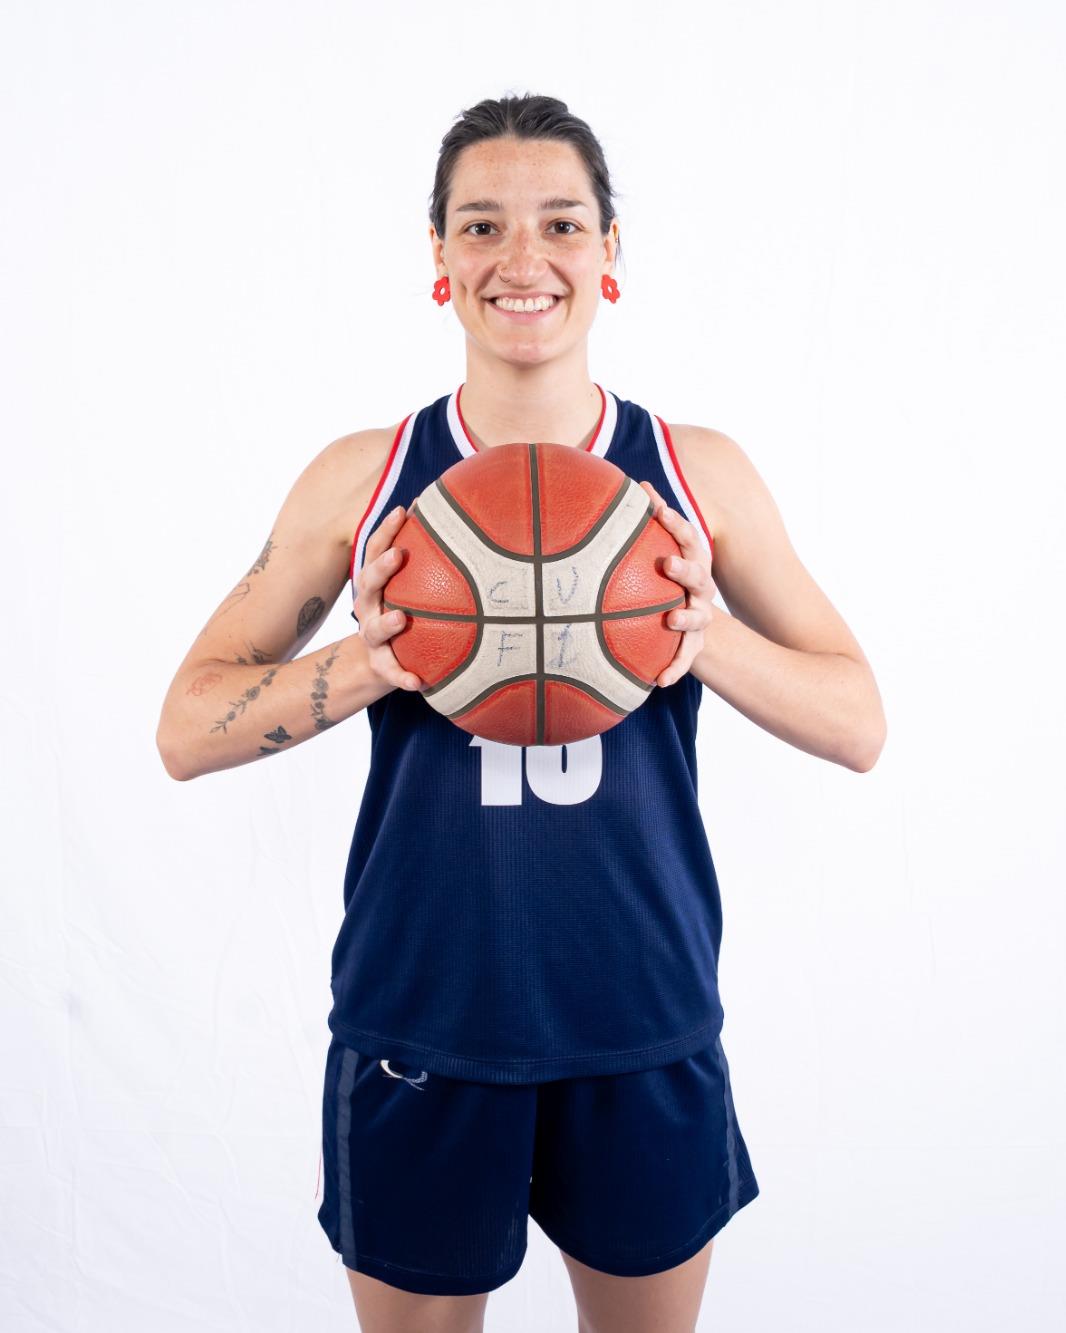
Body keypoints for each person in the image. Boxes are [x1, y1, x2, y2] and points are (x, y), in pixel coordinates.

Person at [157, 93, 886, 1333]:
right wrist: (373, 661)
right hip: (423, 1018)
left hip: (641, 1009)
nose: (522, 258)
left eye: (560, 222)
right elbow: (187, 727)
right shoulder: (366, 480)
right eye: (481, 225)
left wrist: (702, 638)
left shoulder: (694, 475)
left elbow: (857, 721)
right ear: (439, 258)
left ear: (610, 252)